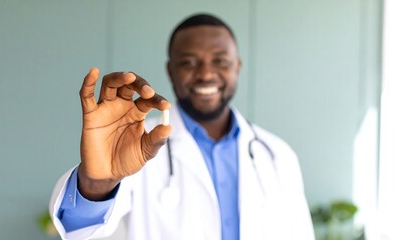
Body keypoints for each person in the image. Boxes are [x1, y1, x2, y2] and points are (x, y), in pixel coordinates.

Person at [50, 13, 314, 240]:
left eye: (220, 61)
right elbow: (79, 229)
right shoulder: (136, 141)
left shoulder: (278, 154)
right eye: (188, 62)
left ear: (237, 66)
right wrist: (98, 184)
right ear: (170, 71)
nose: (206, 74)